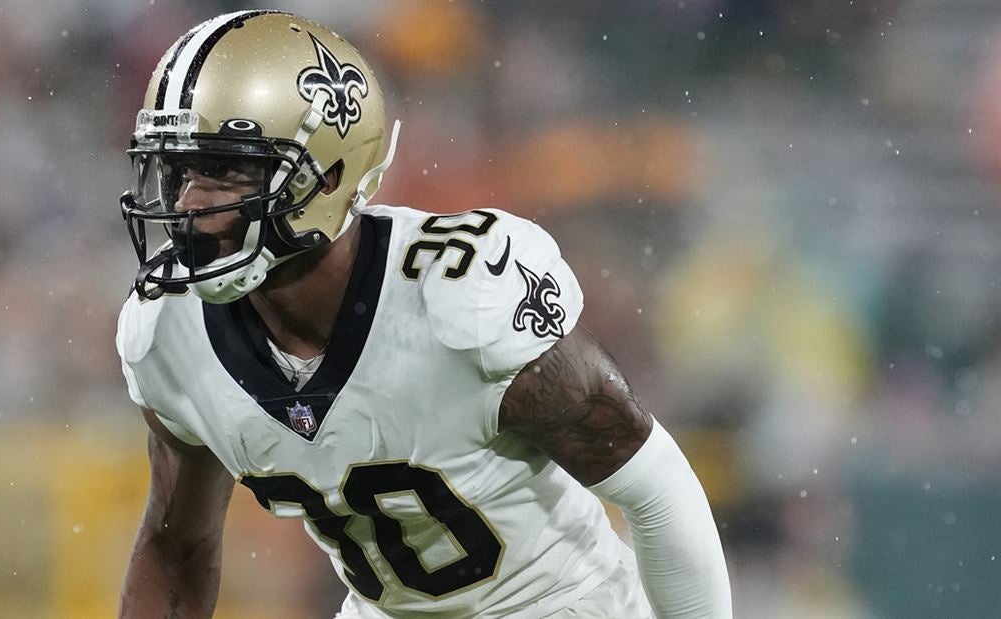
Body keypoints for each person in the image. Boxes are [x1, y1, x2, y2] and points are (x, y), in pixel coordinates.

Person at [115, 10, 732, 619]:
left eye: (224, 171)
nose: (189, 203)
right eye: (177, 170)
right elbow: (177, 548)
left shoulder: (460, 300)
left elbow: (655, 490)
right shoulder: (170, 331)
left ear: (327, 174)